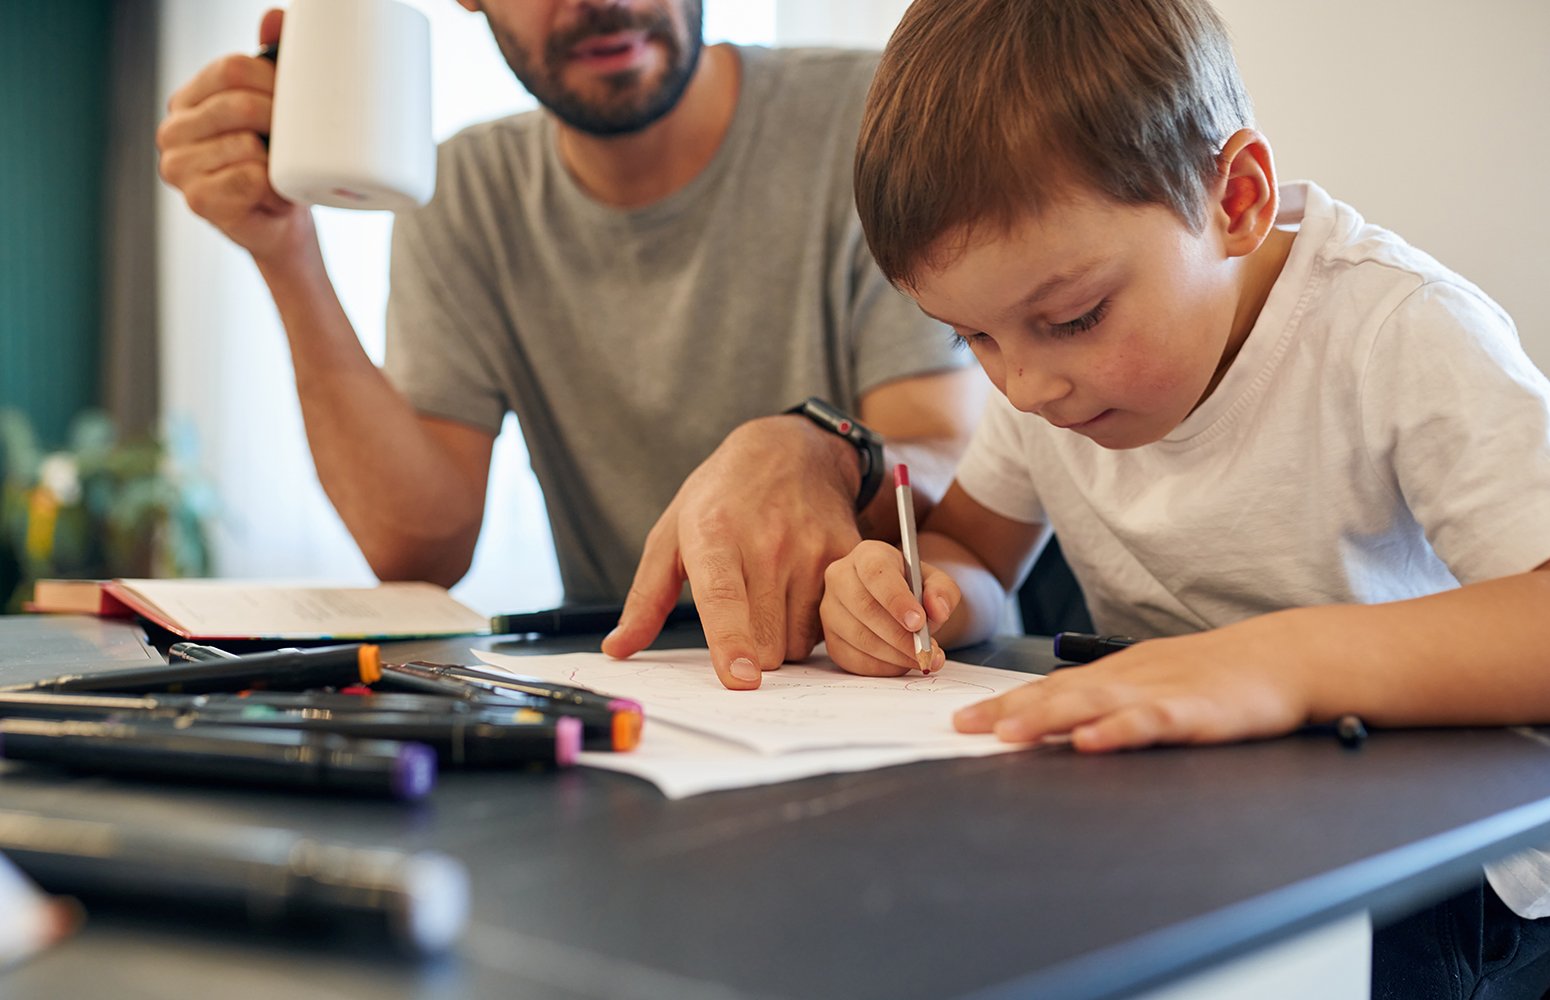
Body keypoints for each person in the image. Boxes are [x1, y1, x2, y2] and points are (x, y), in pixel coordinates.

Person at [824, 0, 1550, 995]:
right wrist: (924, 598)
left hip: (1427, 867)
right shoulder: (1048, 370)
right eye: (974, 339)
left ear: (1235, 199)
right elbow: (978, 558)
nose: (1025, 386)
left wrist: (1278, 662)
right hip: (1181, 817)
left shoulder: (1398, 331)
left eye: (1072, 317)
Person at [154, 0, 985, 691]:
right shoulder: (466, 194)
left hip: (863, 675)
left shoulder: (866, 121)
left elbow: (954, 471)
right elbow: (420, 547)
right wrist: (286, 255)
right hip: (631, 692)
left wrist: (821, 450)